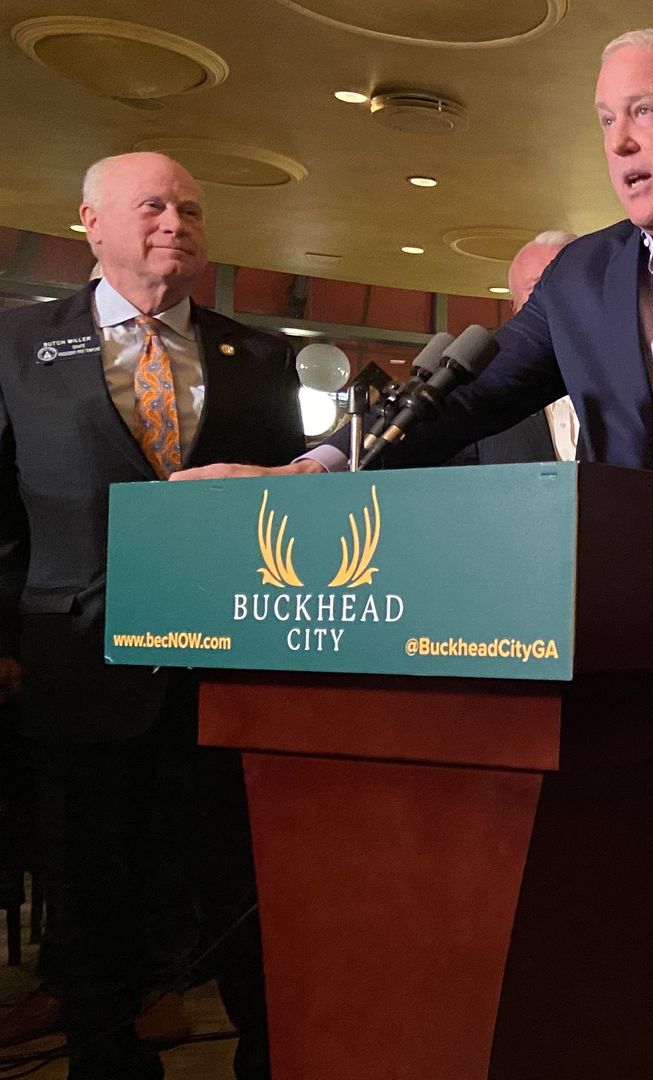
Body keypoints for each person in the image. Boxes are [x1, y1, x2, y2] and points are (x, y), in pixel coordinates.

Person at [173, 29, 653, 1080]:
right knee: (641, 924)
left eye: (644, 113)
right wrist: (327, 466)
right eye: (605, 120)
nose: (619, 140)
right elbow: (465, 399)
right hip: (649, 656)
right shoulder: (581, 274)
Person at [0, 151, 304, 1079]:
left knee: (245, 899)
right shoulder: (14, 347)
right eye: (153, 205)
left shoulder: (260, 357)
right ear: (89, 221)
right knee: (94, 910)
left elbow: (291, 509)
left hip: (230, 678)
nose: (175, 221)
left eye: (191, 208)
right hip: (76, 668)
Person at [450, 231, 580, 465]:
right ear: (515, 308)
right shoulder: (481, 398)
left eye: (562, 287)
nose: (550, 302)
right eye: (536, 290)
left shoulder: (633, 377)